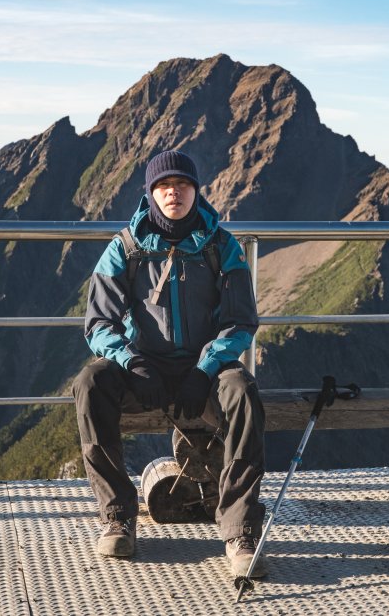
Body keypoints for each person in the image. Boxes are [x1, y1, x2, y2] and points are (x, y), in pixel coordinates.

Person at [72, 149, 267, 578]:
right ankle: (117, 515)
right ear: (150, 193)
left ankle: (240, 529)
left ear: (196, 191)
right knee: (90, 382)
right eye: (163, 186)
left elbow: (240, 322)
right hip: (142, 365)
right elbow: (99, 323)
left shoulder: (221, 247)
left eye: (181, 185)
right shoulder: (126, 247)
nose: (172, 192)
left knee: (243, 392)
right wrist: (131, 362)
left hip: (206, 369)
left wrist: (205, 368)